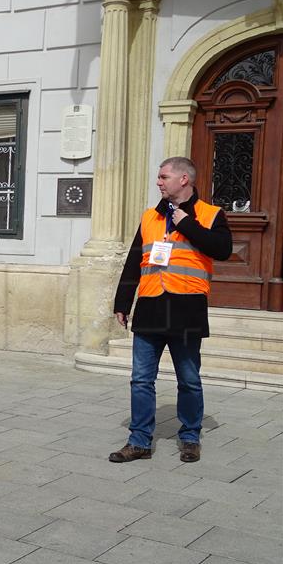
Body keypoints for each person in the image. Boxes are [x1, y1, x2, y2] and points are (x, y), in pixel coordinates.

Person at [110, 157, 232, 464]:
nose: (158, 182)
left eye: (164, 176)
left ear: (184, 180)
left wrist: (185, 223)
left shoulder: (210, 214)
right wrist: (123, 303)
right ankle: (139, 441)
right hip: (150, 307)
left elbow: (223, 250)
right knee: (140, 380)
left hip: (186, 310)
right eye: (158, 176)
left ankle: (190, 437)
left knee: (189, 379)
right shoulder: (150, 217)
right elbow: (133, 261)